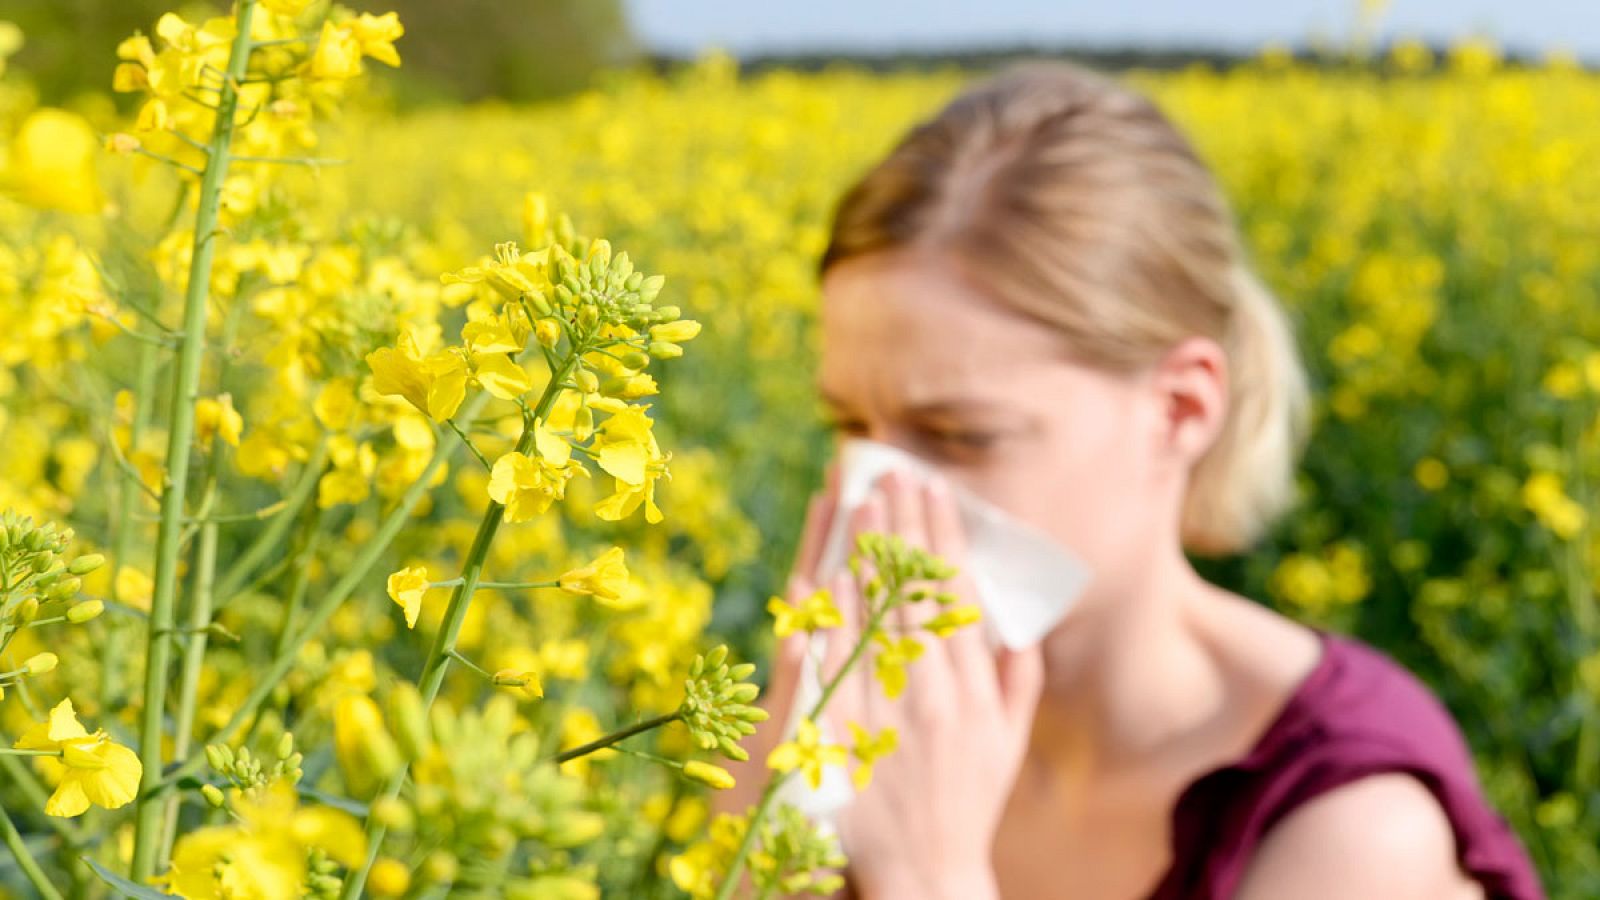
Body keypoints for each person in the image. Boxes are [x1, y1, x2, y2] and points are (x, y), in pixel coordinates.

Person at [713, 59, 1544, 899]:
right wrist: (767, 836)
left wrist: (927, 877)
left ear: (1181, 410)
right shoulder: (875, 729)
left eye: (961, 435)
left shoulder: (1351, 826)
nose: (876, 495)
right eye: (849, 426)